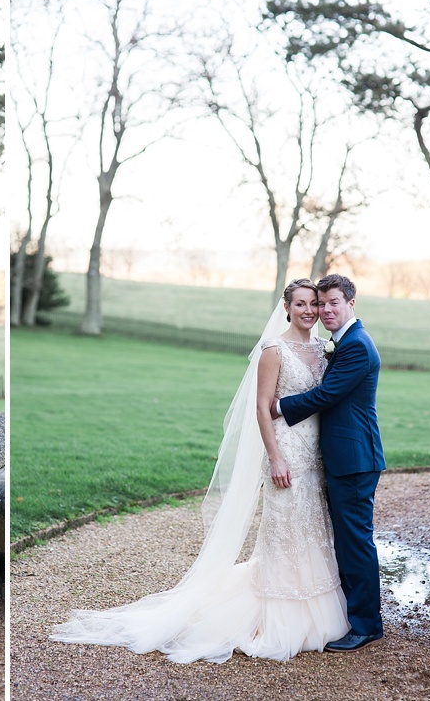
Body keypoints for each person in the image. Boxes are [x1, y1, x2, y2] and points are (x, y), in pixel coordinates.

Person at [51, 279, 349, 663]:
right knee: (285, 533)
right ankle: (280, 618)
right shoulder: (273, 349)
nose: (310, 311)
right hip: (286, 453)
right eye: (303, 304)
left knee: (312, 531)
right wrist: (274, 457)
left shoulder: (322, 349)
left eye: (315, 304)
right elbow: (261, 408)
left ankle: (317, 613)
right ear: (287, 307)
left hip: (315, 456)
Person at [274, 273, 385, 653]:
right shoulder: (342, 342)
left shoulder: (355, 346)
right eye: (321, 304)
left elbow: (327, 394)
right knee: (349, 539)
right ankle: (357, 615)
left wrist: (279, 406)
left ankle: (366, 625)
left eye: (333, 302)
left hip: (354, 458)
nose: (325, 310)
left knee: (356, 542)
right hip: (343, 456)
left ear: (351, 303)